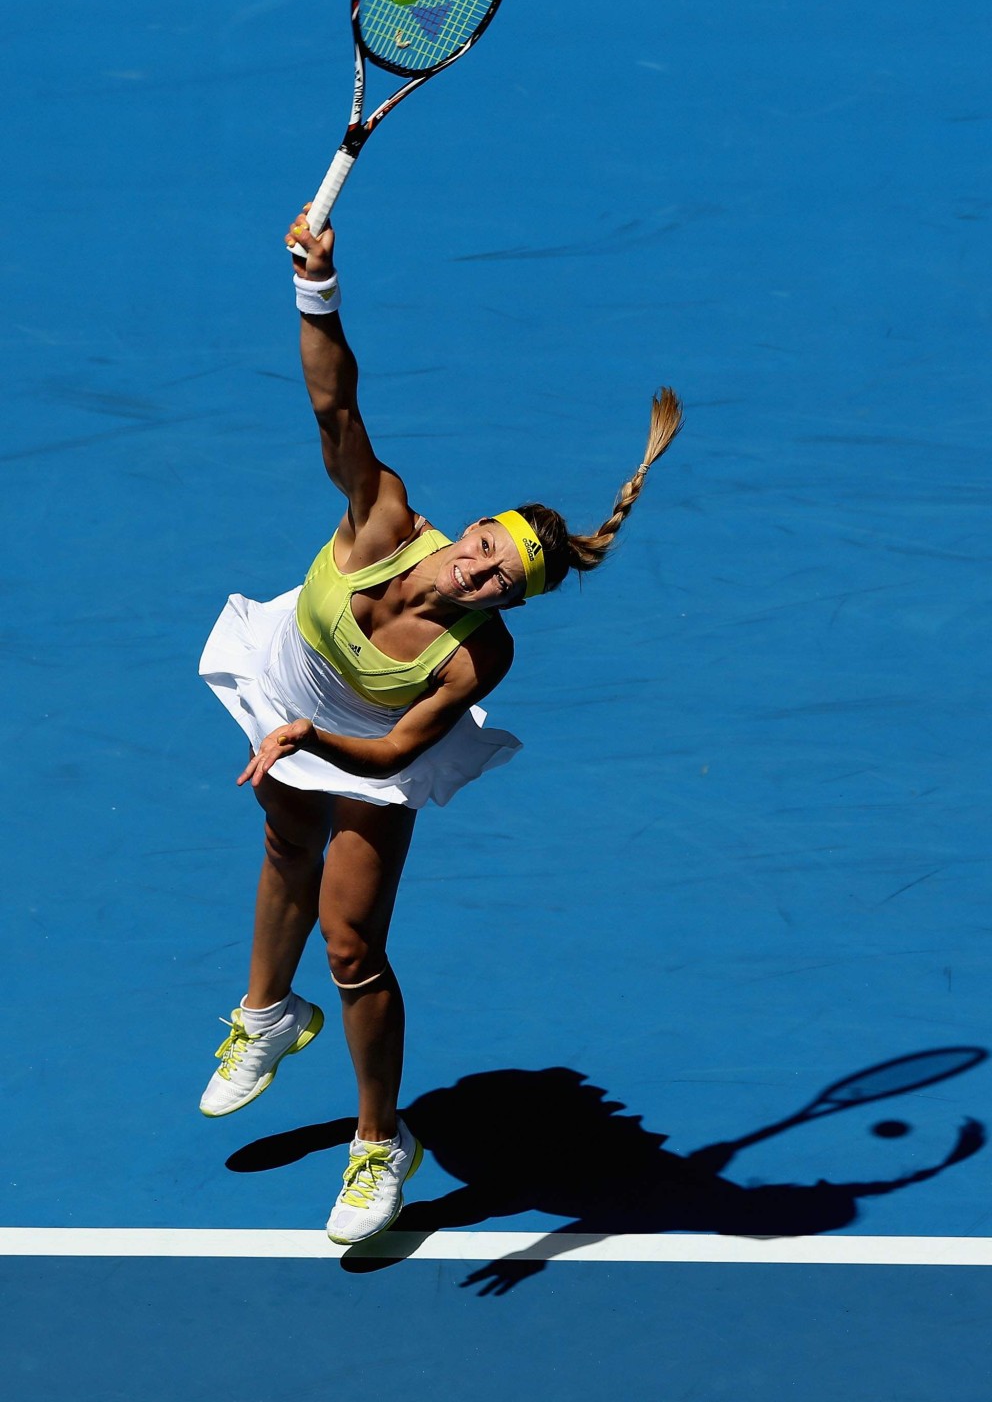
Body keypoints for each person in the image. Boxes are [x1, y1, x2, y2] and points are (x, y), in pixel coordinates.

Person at [197, 207, 684, 1244]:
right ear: (471, 528)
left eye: (505, 582)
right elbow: (334, 401)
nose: (483, 571)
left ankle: (382, 1143)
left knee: (353, 946)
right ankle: (266, 1019)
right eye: (487, 548)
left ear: (508, 605)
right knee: (286, 841)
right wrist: (315, 287)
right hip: (292, 677)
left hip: (354, 743)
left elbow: (391, 756)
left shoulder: (474, 656)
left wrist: (309, 744)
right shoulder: (379, 515)